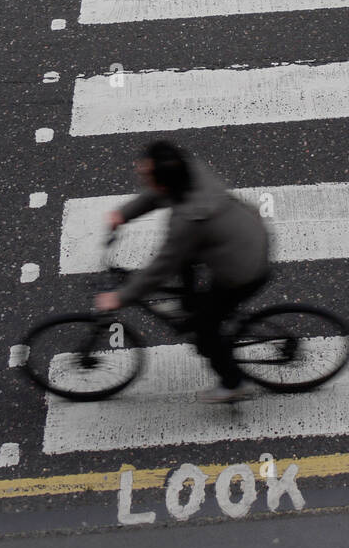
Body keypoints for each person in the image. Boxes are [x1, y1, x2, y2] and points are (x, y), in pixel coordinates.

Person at [94, 141, 271, 404]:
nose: (139, 172)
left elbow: (161, 269)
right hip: (240, 236)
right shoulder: (189, 171)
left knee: (205, 333)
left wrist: (121, 297)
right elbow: (160, 192)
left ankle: (233, 384)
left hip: (242, 270)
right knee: (189, 276)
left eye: (146, 173)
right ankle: (192, 304)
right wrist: (124, 214)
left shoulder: (188, 221)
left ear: (164, 181)